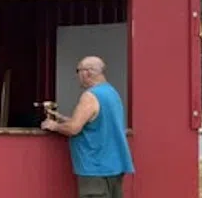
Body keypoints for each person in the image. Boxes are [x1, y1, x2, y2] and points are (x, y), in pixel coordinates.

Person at [40, 56, 134, 198]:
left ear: (87, 73)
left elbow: (73, 129)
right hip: (114, 165)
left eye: (78, 71)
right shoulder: (112, 93)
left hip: (95, 167)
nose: (78, 76)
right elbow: (97, 123)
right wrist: (62, 118)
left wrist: (53, 126)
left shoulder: (90, 96)